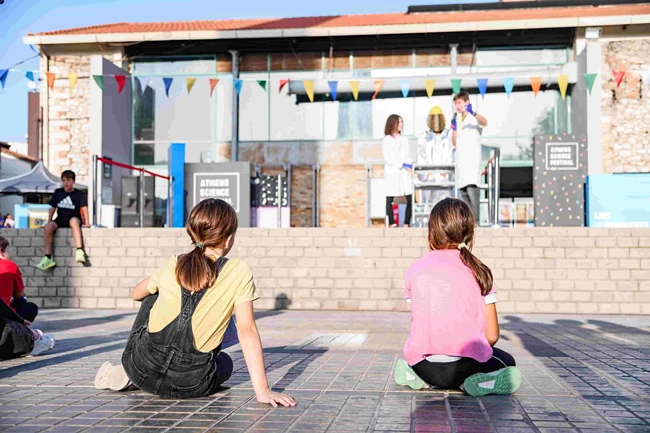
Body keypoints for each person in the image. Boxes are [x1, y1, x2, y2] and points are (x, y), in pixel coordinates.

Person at [93, 199, 297, 407]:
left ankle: (129, 375)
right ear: (227, 239)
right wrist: (262, 391)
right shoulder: (238, 270)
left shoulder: (174, 264)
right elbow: (247, 329)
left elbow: (136, 294)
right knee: (224, 364)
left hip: (141, 369)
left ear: (194, 233)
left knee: (151, 295)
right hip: (191, 385)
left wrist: (160, 285)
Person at [394, 198, 521, 397]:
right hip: (466, 365)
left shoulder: (415, 269)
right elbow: (492, 336)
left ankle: (421, 379)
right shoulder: (480, 271)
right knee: (507, 361)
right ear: (469, 233)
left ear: (431, 232)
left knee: (422, 360)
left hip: (423, 365)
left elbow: (422, 322)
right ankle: (470, 383)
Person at [0, 237, 55, 359]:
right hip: (5, 318)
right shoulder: (10, 266)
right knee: (29, 307)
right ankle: (28, 338)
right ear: (1, 250)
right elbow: (20, 296)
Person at [36, 170, 89, 270]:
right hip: (60, 218)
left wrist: (87, 222)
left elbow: (84, 208)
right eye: (63, 180)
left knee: (73, 221)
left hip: (74, 217)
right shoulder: (58, 192)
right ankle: (48, 257)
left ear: (73, 181)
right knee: (48, 227)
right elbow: (52, 207)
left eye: (68, 180)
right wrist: (49, 221)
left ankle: (79, 251)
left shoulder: (79, 194)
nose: (66, 183)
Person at [451, 92, 488, 222]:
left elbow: (485, 122)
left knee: (472, 190)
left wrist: (474, 113)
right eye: (456, 103)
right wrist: (454, 129)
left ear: (467, 102)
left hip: (472, 160)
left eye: (459, 103)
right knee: (464, 193)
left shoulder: (473, 118)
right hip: (461, 161)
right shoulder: (457, 119)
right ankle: (468, 222)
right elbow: (454, 143)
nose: (457, 106)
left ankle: (476, 221)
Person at [416, 106, 454, 208]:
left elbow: (452, 155)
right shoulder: (424, 137)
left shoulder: (449, 135)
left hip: (446, 180)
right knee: (430, 207)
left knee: (447, 207)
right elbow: (421, 157)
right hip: (430, 181)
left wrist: (446, 172)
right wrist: (427, 175)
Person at [382, 114, 413, 228]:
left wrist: (409, 163)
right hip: (392, 171)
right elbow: (388, 158)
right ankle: (391, 222)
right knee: (390, 197)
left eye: (401, 122)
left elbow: (407, 154)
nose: (401, 125)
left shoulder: (404, 139)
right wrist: (400, 163)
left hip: (404, 172)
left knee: (409, 195)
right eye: (399, 122)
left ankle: (406, 222)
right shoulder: (387, 140)